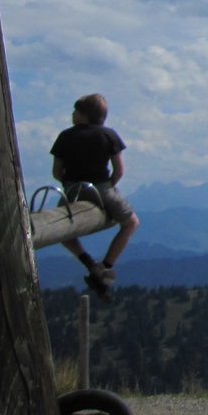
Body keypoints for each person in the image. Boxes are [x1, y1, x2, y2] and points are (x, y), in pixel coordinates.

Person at [50, 93, 140, 303]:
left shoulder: (65, 136)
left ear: (83, 115)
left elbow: (56, 172)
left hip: (72, 190)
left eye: (75, 111)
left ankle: (89, 263)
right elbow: (119, 170)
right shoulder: (109, 135)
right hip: (101, 188)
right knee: (130, 224)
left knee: (60, 229)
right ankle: (105, 268)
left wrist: (69, 182)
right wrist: (108, 187)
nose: (72, 114)